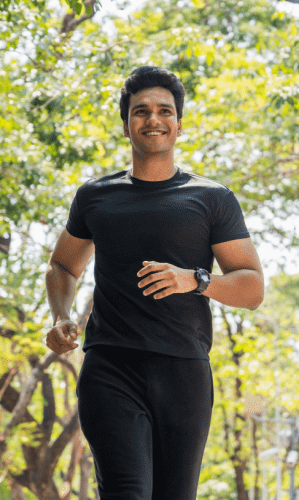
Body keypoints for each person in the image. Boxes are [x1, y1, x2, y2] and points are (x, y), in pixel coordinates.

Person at [44, 66, 264, 500]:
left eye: (164, 111)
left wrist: (195, 280)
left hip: (183, 371)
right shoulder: (96, 197)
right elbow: (63, 267)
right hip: (111, 366)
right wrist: (61, 315)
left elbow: (252, 287)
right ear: (126, 123)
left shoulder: (210, 198)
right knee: (127, 491)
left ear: (179, 125)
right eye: (140, 111)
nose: (153, 119)